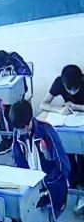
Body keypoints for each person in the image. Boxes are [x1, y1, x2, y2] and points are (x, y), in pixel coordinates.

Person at [10, 98, 70, 222]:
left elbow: (63, 165)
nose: (20, 132)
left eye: (22, 128)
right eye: (17, 128)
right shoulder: (17, 132)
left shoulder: (46, 132)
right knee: (16, 205)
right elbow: (17, 160)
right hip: (31, 181)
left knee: (29, 206)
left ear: (30, 120)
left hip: (50, 183)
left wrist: (50, 182)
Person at [40, 65, 84, 204]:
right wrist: (59, 109)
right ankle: (74, 183)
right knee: (67, 151)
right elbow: (43, 104)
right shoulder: (59, 82)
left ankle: (82, 185)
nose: (71, 92)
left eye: (75, 89)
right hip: (69, 123)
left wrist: (76, 107)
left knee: (81, 155)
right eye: (68, 90)